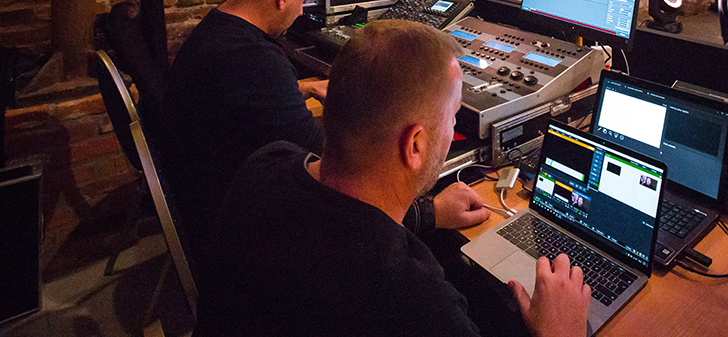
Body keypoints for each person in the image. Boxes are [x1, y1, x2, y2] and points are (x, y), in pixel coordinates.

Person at [194, 20, 591, 337]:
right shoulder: (414, 300)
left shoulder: (268, 163)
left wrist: (429, 214)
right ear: (414, 144)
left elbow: (344, 216)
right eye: (453, 118)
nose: (454, 130)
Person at [161, 0, 483, 265]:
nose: (302, 12)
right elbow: (335, 172)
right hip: (236, 234)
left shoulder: (216, 33)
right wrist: (430, 213)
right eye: (302, 1)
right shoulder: (256, 62)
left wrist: (294, 90)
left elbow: (241, 104)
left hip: (209, 197)